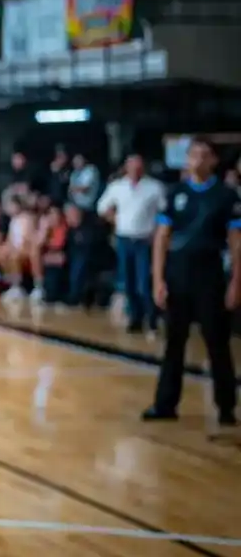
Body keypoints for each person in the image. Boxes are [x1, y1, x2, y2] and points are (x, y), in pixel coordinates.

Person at [145, 137, 239, 427]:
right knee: (174, 342)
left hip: (209, 274)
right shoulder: (175, 193)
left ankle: (226, 406)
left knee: (217, 342)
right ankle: (165, 404)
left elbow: (236, 243)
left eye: (204, 155)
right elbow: (162, 238)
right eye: (193, 154)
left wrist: (236, 282)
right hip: (177, 273)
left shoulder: (226, 196)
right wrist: (158, 279)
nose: (198, 160)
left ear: (213, 161)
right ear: (186, 159)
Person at [96, 154, 165, 334]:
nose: (135, 170)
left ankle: (152, 318)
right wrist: (115, 219)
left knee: (144, 282)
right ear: (126, 168)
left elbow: (164, 211)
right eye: (132, 167)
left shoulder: (154, 187)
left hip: (144, 240)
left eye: (139, 167)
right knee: (128, 282)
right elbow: (101, 207)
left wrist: (157, 232)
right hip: (124, 239)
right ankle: (135, 318)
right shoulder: (117, 186)